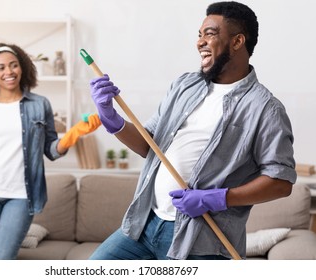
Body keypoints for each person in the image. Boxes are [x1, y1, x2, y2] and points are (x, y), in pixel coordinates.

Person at [88, 1, 296, 260]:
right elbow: (148, 145)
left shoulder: (265, 108)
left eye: (209, 34)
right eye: (199, 35)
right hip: (144, 223)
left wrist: (217, 198)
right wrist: (110, 118)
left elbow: (281, 182)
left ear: (237, 41)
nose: (200, 42)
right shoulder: (184, 85)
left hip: (199, 239)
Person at [0, 43, 101, 260]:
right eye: (1, 68)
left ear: (22, 68)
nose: (8, 72)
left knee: (1, 260)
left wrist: (73, 134)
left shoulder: (39, 104)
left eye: (13, 65)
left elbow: (51, 150)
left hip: (21, 196)